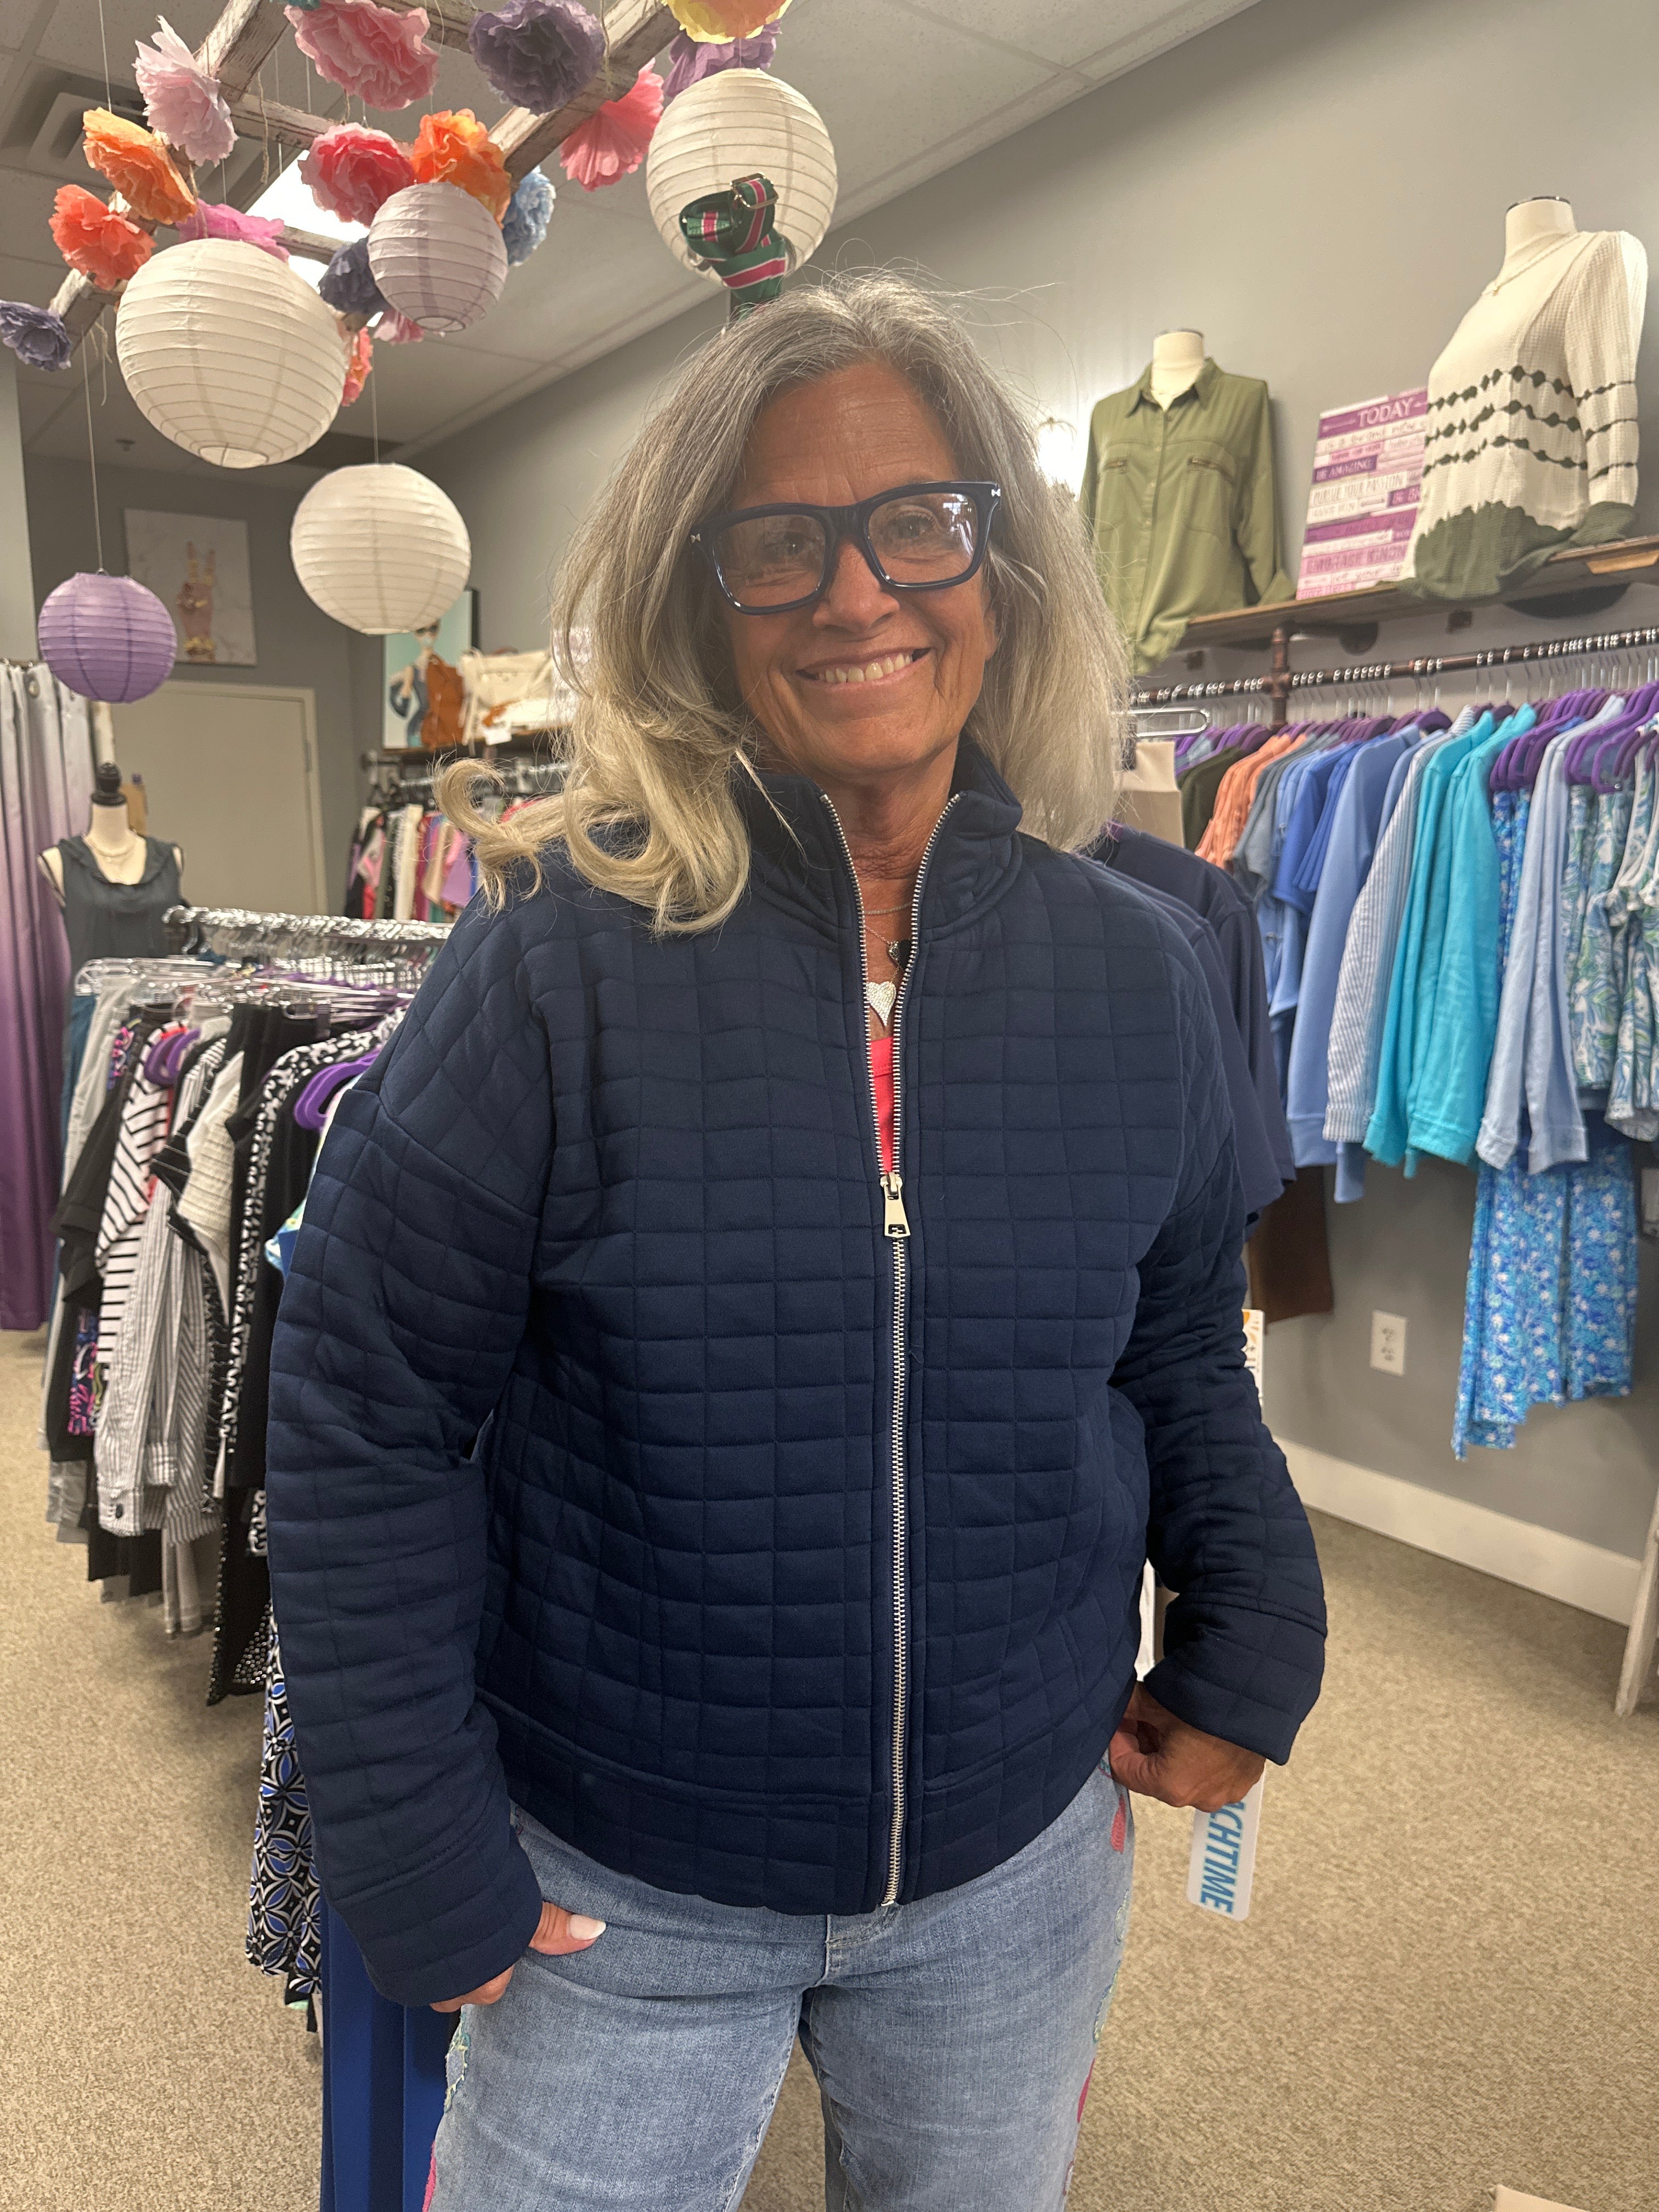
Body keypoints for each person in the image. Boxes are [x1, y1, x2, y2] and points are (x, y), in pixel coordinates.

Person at [268, 272, 1326, 2211]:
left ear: (999, 561)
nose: (859, 596)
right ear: (705, 599)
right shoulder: (551, 970)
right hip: (624, 1888)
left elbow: (1176, 1339)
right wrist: (410, 1833)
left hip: (1013, 1869)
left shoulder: (1138, 972)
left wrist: (1257, 1629)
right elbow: (364, 1405)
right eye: (782, 542)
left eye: (918, 521)